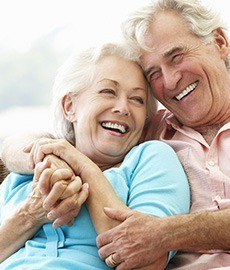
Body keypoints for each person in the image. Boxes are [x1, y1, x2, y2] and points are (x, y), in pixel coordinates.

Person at [1, 0, 230, 269]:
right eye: (153, 74)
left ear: (220, 42)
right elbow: (27, 141)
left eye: (176, 57)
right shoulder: (148, 130)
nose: (169, 80)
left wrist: (163, 234)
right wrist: (49, 156)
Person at [0, 42, 190, 269]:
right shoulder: (24, 172)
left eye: (137, 99)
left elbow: (146, 262)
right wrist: (30, 214)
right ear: (70, 106)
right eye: (108, 91)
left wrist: (84, 168)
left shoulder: (151, 159)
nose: (123, 108)